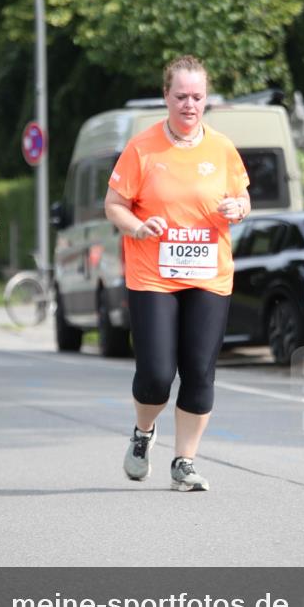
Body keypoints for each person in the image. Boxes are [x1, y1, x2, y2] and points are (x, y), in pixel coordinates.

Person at [104, 55, 250, 492]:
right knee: (155, 375)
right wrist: (138, 226)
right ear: (166, 96)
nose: (190, 104)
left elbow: (243, 199)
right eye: (181, 96)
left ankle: (184, 461)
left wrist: (237, 208)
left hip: (209, 274)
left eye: (198, 97)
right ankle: (144, 432)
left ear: (206, 100)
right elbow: (114, 205)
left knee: (200, 372)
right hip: (153, 274)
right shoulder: (142, 148)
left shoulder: (222, 148)